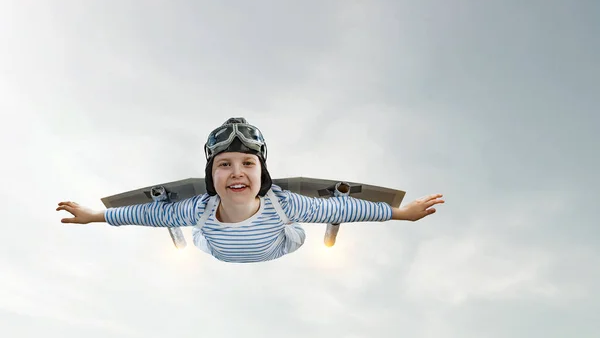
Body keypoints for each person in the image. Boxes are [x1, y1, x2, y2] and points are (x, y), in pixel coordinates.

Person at [56, 117, 445, 263]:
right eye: (224, 165)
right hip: (217, 249)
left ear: (262, 174)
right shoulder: (197, 208)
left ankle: (327, 215)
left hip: (278, 243)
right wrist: (95, 216)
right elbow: (143, 214)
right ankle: (181, 239)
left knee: (320, 216)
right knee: (188, 234)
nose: (236, 173)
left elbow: (356, 211)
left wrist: (400, 213)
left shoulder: (282, 203)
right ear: (212, 176)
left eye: (247, 164)